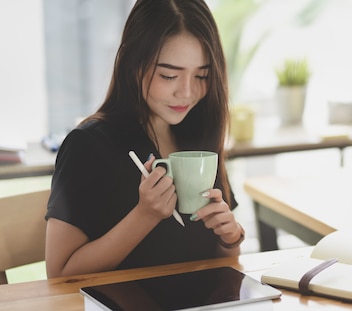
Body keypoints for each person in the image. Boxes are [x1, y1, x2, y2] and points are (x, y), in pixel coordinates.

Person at [45, 0, 244, 278]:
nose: (187, 92)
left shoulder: (198, 135)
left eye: (202, 75)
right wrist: (145, 215)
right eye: (169, 75)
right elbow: (59, 274)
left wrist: (230, 237)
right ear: (132, 63)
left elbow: (217, 264)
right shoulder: (87, 146)